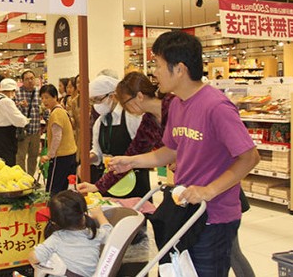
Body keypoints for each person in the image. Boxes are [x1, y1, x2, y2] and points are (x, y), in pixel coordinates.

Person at [108, 31, 260, 276]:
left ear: (179, 69)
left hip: (214, 216)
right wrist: (131, 161)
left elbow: (249, 157)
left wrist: (208, 190)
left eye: (157, 65)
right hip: (185, 210)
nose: (154, 73)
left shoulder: (216, 106)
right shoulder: (177, 104)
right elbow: (169, 151)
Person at [78, 72, 173, 199]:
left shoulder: (175, 106)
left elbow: (178, 150)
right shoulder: (149, 121)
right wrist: (98, 186)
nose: (124, 108)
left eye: (125, 103)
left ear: (139, 96)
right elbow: (133, 154)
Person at [28, 190, 112, 277]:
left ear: (54, 221)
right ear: (84, 213)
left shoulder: (57, 239)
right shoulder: (93, 234)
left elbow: (33, 258)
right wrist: (100, 215)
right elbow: (110, 234)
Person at [84, 75, 141, 187]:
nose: (96, 105)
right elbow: (97, 152)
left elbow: (145, 148)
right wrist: (87, 159)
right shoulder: (100, 122)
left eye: (98, 100)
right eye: (92, 101)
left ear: (112, 96)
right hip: (110, 181)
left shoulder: (131, 117)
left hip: (134, 181)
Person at [39, 84, 77, 195]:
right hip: (70, 154)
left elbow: (57, 136)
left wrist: (49, 155)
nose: (44, 101)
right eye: (42, 98)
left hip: (60, 156)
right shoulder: (61, 110)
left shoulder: (56, 113)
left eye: (47, 97)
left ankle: (52, 210)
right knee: (65, 188)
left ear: (55, 97)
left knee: (53, 189)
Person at [0, 78, 29, 166]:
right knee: (6, 165)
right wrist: (26, 120)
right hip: (3, 139)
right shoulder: (6, 101)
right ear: (11, 90)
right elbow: (20, 121)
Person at [15, 70, 41, 176]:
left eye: (32, 78)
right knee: (20, 156)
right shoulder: (17, 93)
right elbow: (11, 109)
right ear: (22, 81)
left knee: (33, 156)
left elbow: (43, 108)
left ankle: (30, 178)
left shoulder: (39, 92)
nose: (30, 81)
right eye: (27, 79)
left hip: (36, 130)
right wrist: (20, 105)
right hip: (23, 131)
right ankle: (22, 178)